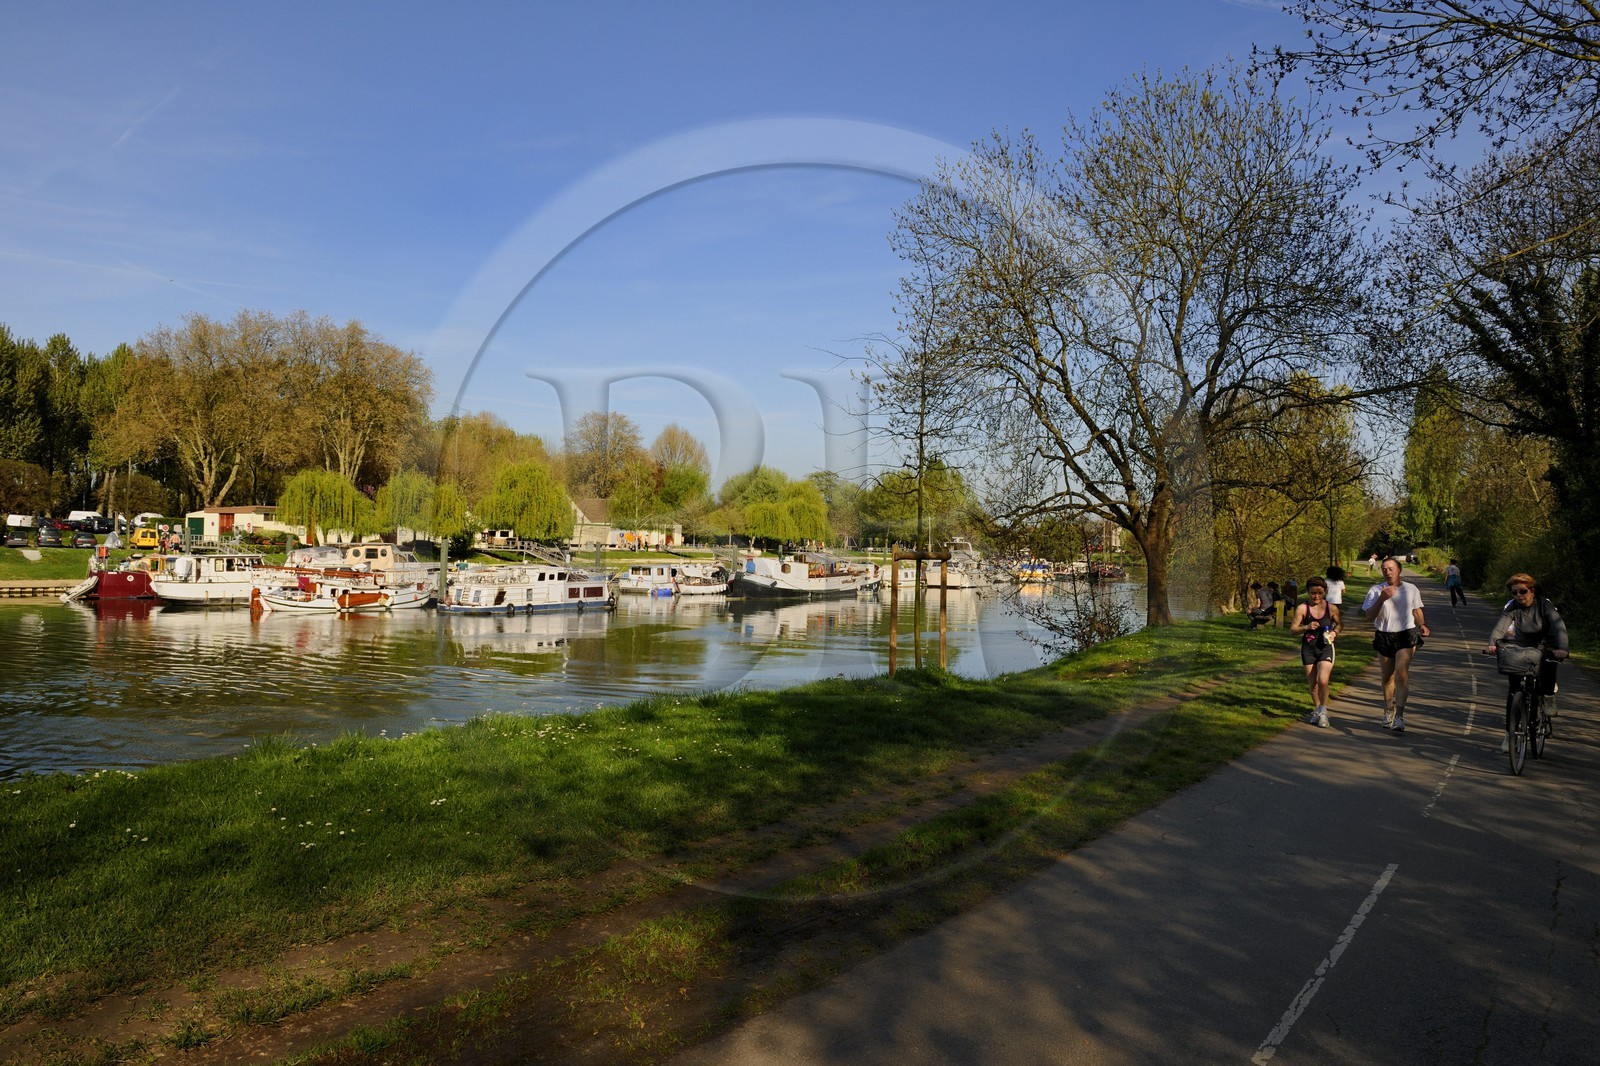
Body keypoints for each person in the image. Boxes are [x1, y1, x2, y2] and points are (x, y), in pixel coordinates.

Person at [1482, 573, 1569, 753]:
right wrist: (1492, 644)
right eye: (1515, 593)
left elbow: (1559, 627)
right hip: (1523, 644)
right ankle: (1509, 734)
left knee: (1548, 665)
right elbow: (1500, 627)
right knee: (1514, 689)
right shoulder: (1513, 607)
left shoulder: (1544, 604)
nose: (1519, 596)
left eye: (1523, 591)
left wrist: (1563, 648)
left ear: (1532, 590)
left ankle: (1548, 696)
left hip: (1547, 643)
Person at [1361, 557, 1431, 732]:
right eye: (1384, 569)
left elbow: (1416, 609)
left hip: (1405, 634)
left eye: (1391, 568)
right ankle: (1388, 710)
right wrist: (1382, 598)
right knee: (1387, 676)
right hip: (1384, 635)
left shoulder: (1411, 589)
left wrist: (1422, 624)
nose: (1387, 572)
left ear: (1399, 570)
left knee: (1401, 673)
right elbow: (1369, 617)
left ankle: (1399, 716)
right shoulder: (1376, 590)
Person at [1290, 576, 1342, 727]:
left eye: (1320, 593)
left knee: (1323, 680)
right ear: (1308, 592)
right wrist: (1305, 627)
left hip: (1325, 647)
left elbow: (1339, 624)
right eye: (1313, 593)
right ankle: (1318, 710)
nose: (1316, 596)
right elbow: (1292, 630)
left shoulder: (1331, 608)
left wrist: (1334, 633)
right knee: (1313, 684)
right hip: (1308, 649)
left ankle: (1324, 712)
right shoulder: (1302, 608)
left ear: (1325, 592)